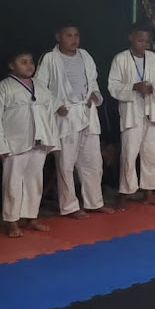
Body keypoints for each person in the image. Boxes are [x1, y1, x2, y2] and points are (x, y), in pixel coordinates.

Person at [35, 25, 115, 218]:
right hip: (66, 115)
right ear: (58, 36)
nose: (74, 39)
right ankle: (69, 206)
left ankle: (94, 202)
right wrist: (56, 105)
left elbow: (93, 81)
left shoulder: (85, 55)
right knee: (66, 163)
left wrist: (94, 94)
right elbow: (40, 87)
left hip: (87, 112)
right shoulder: (50, 58)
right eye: (68, 35)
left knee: (93, 161)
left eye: (76, 35)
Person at [0, 51, 59, 238]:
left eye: (31, 62)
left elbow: (50, 117)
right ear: (12, 66)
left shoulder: (41, 87)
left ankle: (31, 217)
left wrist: (53, 142)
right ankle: (12, 221)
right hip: (14, 142)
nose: (29, 65)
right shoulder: (2, 88)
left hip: (40, 140)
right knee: (12, 183)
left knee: (35, 181)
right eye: (23, 62)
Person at [108, 24, 155, 205]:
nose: (144, 44)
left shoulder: (154, 58)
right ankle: (125, 192)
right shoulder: (120, 59)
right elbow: (113, 86)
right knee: (129, 153)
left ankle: (149, 192)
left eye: (147, 41)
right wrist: (134, 87)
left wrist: (153, 89)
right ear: (131, 38)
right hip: (131, 113)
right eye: (140, 40)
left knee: (151, 154)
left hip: (150, 111)